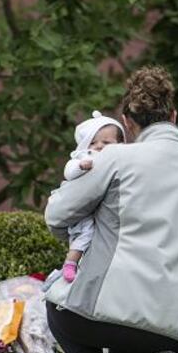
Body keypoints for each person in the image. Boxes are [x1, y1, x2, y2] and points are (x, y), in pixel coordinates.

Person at [44, 66, 178, 353]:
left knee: (56, 308)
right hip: (170, 326)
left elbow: (57, 214)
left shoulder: (115, 159)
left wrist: (84, 241)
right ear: (174, 116)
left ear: (127, 122)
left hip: (100, 315)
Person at [59, 111, 125, 283]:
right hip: (84, 212)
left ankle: (79, 266)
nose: (99, 146)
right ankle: (70, 262)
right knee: (85, 234)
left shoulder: (120, 161)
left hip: (104, 215)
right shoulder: (85, 157)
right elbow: (68, 171)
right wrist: (81, 166)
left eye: (106, 142)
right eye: (93, 142)